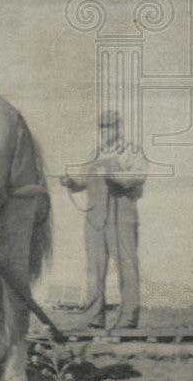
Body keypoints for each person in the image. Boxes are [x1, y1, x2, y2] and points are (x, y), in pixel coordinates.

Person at [61, 110, 148, 329]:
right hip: (95, 218)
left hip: (122, 215)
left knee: (127, 265)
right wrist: (71, 182)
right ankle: (93, 319)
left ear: (119, 127)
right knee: (94, 269)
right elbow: (82, 180)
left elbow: (139, 175)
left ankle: (128, 319)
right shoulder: (95, 154)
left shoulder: (132, 152)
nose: (105, 131)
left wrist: (114, 176)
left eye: (109, 126)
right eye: (102, 127)